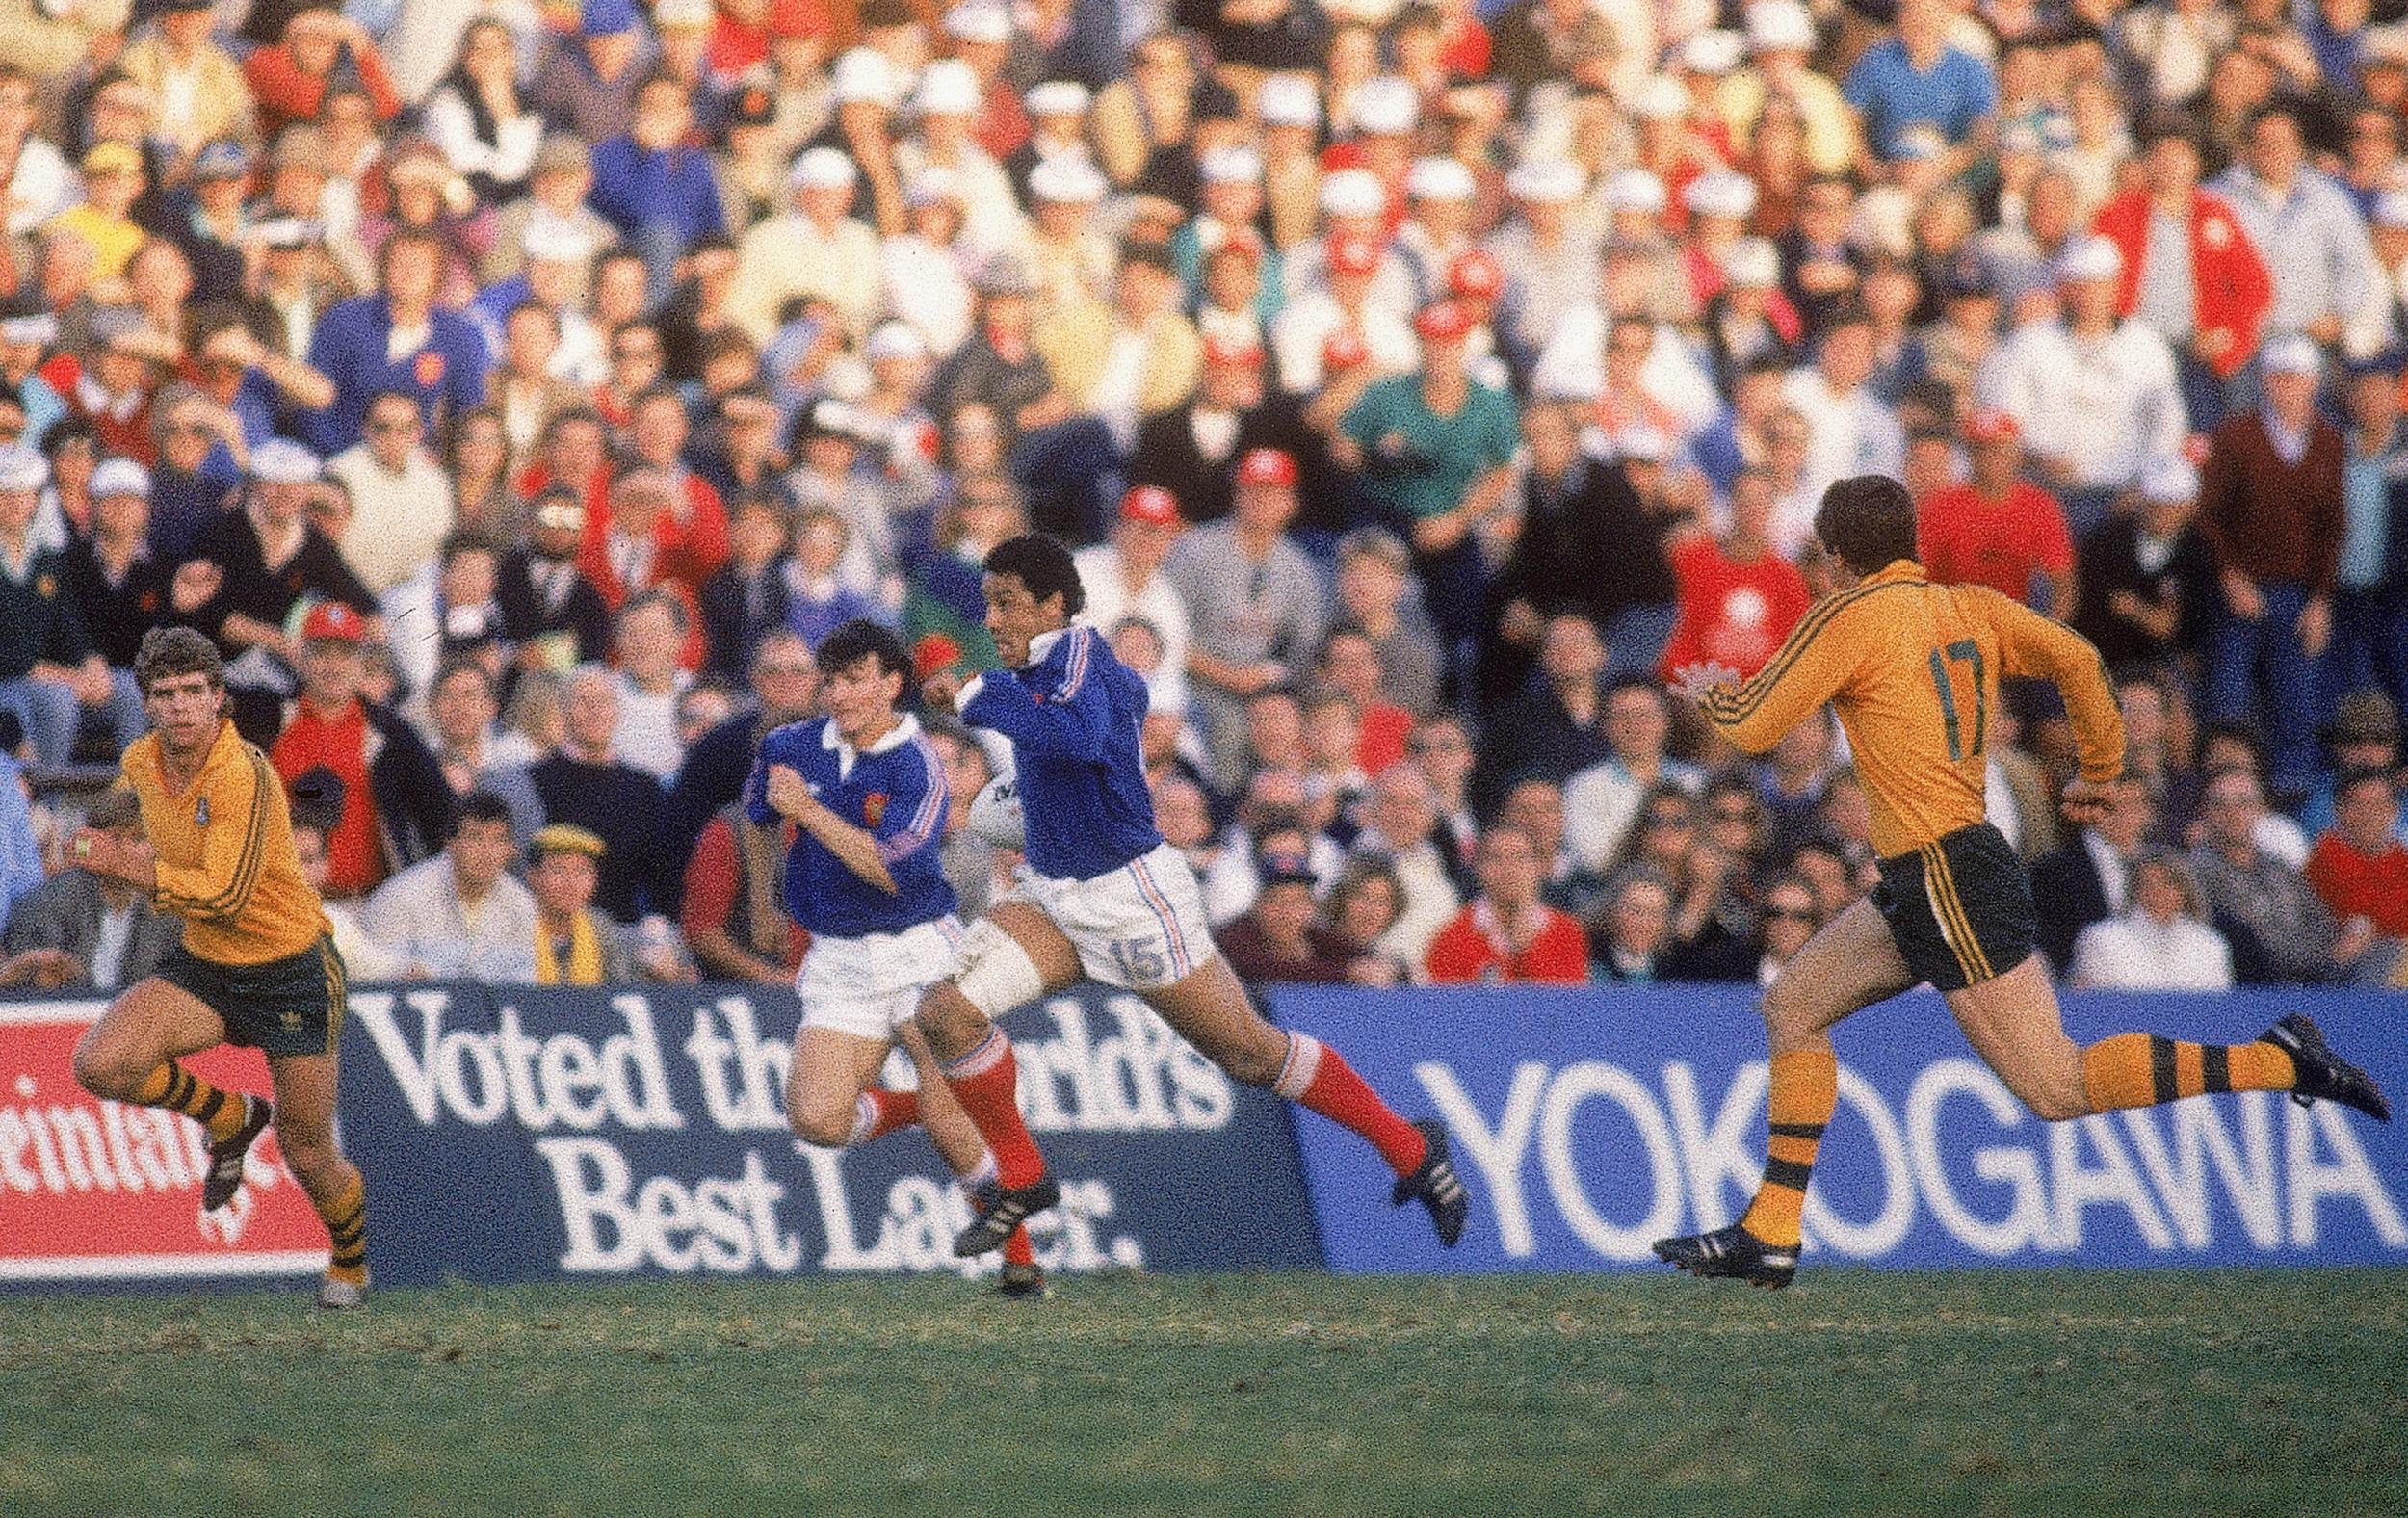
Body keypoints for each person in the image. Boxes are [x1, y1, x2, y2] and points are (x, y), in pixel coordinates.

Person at [1652, 475, 2389, 1290]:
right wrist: (2101, 769)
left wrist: (1713, 696)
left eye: (1824, 560)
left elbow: (1755, 725)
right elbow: (2079, 657)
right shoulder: (1970, 605)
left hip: (1943, 876)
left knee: (2055, 1085)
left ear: (1837, 556)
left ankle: (2282, 1062)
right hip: (1932, 872)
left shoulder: (1850, 612)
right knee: (1792, 1005)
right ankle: (1773, 1229)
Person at [915, 534, 1468, 1257]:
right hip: (1055, 895)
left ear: (1055, 606)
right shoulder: (1047, 671)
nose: (992, 620)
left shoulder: (1081, 655)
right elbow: (1107, 724)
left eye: (1008, 604)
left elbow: (1080, 738)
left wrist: (977, 695)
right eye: (988, 604)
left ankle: (1409, 1146)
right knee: (946, 1014)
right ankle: (1023, 1177)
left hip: (1130, 897)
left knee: (1247, 1054)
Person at [65, 627, 372, 1309]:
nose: (179, 706)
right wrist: (87, 832)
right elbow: (120, 809)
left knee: (307, 1151)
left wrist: (123, 863)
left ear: (218, 700)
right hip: (210, 964)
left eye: (193, 692)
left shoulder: (244, 773)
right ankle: (229, 1116)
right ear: (146, 703)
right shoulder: (144, 759)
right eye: (165, 694)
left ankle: (349, 1259)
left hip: (290, 967)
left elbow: (226, 895)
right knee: (102, 1063)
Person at [746, 619, 1045, 1297]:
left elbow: (893, 872)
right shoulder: (789, 746)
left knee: (953, 1126)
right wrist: (766, 900)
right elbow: (760, 816)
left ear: (890, 685)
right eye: (831, 680)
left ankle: (1020, 1261)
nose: (839, 693)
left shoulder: (919, 767)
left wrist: (811, 815)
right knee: (818, 1122)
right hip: (839, 961)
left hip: (918, 954)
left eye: (855, 679)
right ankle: (920, 1106)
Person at [0, 788, 180, 991]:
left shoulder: (169, 911)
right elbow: (30, 987)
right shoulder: (48, 903)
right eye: (118, 839)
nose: (133, 851)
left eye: (143, 840)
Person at [359, 791, 539, 981]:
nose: (487, 852)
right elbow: (373, 974)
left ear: (511, 849)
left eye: (498, 840)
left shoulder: (523, 906)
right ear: (451, 843)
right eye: (475, 838)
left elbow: (528, 981)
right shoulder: (401, 897)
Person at [1423, 824, 1589, 984]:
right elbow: (1442, 1009)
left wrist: (1527, 949)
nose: (1509, 869)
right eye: (1496, 858)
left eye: (1520, 857)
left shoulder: (1567, 933)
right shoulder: (1451, 939)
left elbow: (1567, 1007)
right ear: (1479, 869)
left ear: (1539, 867)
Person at [2070, 848, 2237, 990]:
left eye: (2167, 884)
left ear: (2184, 891)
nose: (2157, 893)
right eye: (2147, 884)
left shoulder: (2210, 944)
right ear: (2134, 890)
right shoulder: (2101, 939)